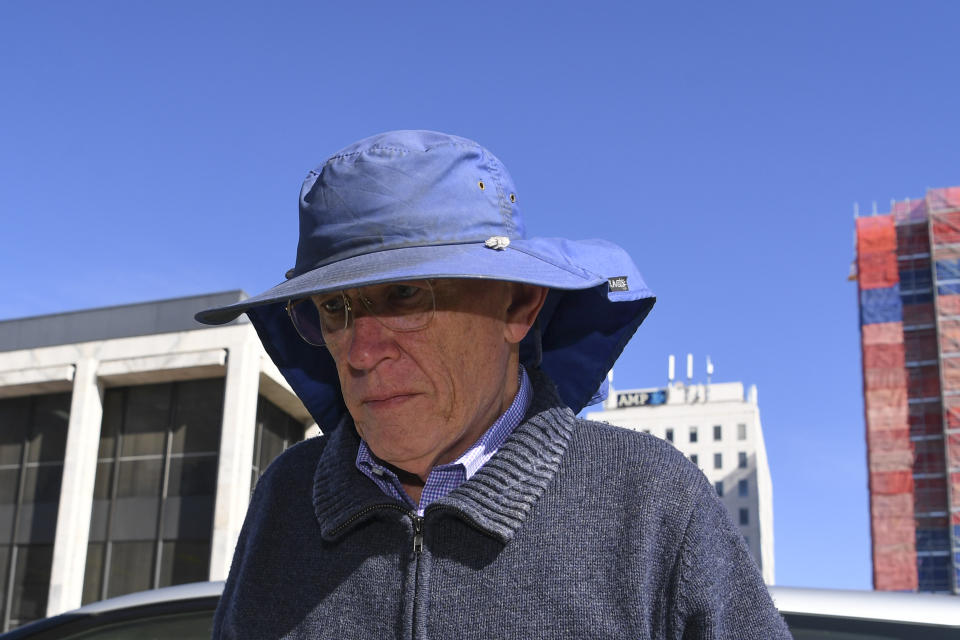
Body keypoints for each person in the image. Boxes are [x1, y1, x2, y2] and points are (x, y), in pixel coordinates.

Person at [196, 130, 790, 639]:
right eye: (332, 307)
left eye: (405, 294)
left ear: (519, 306)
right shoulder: (285, 496)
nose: (360, 350)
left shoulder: (652, 500)